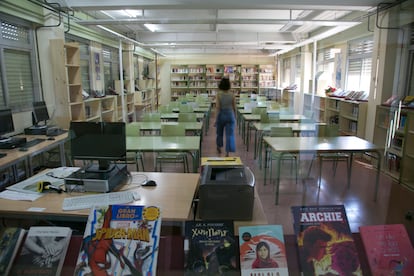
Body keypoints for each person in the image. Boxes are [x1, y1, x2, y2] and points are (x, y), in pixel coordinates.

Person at [215, 77, 236, 157]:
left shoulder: (218, 94)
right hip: (230, 115)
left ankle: (219, 146)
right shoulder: (232, 94)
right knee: (229, 134)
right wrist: (235, 116)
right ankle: (227, 152)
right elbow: (234, 107)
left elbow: (217, 107)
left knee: (219, 133)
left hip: (221, 114)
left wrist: (216, 118)